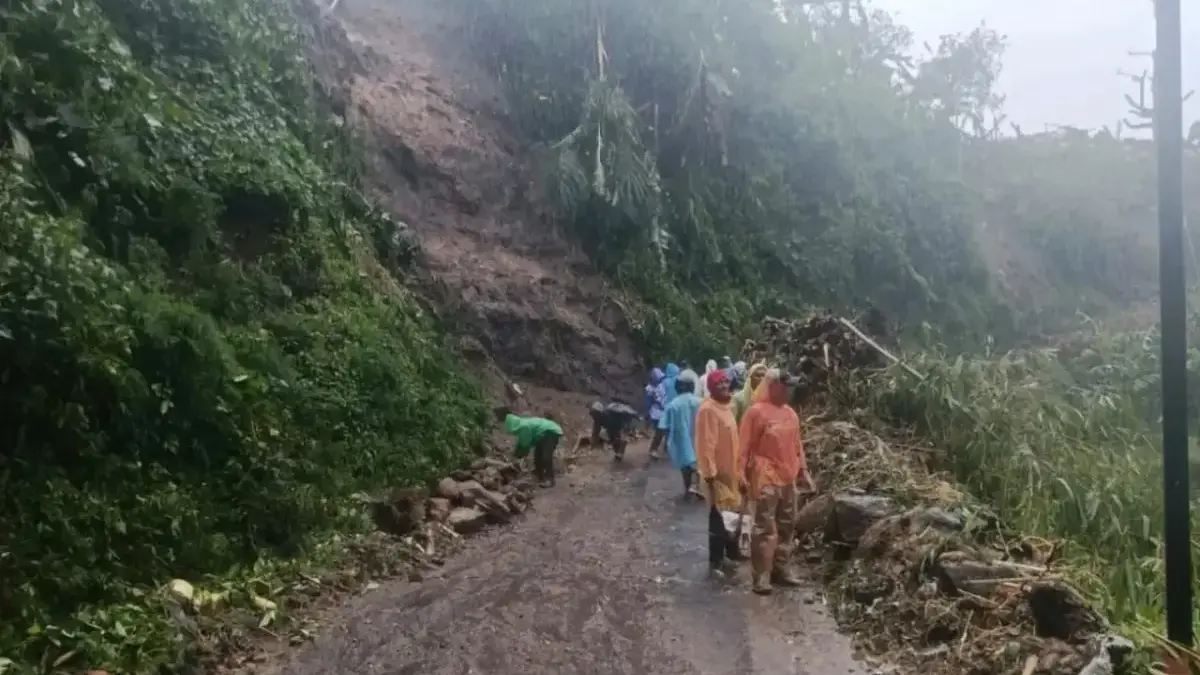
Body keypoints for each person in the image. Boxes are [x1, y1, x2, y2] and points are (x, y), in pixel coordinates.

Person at [738, 369, 816, 594]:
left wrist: (804, 471)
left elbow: (797, 445)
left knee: (786, 525)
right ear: (772, 386)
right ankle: (761, 576)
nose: (789, 391)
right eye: (785, 386)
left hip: (788, 476)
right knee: (765, 527)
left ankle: (780, 569)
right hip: (765, 476)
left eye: (790, 387)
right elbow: (744, 447)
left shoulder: (791, 414)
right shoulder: (755, 413)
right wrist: (741, 474)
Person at [694, 369, 743, 577]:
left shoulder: (727, 406)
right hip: (717, 475)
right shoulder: (708, 410)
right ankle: (716, 560)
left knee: (731, 514)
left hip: (731, 471)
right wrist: (710, 475)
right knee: (717, 515)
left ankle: (730, 553)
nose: (723, 386)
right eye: (718, 383)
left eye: (725, 382)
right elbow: (706, 445)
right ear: (711, 388)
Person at [495, 406, 564, 488]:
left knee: (546, 456)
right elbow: (521, 443)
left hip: (551, 431)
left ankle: (550, 479)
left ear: (509, 424)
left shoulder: (523, 427)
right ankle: (539, 475)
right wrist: (517, 454)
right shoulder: (521, 427)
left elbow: (525, 445)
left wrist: (518, 456)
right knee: (537, 456)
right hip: (542, 434)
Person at [659, 372, 702, 498]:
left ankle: (687, 488)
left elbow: (664, 425)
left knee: (685, 466)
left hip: (681, 439)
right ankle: (699, 488)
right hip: (699, 438)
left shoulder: (673, 405)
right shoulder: (700, 402)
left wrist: (667, 442)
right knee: (700, 464)